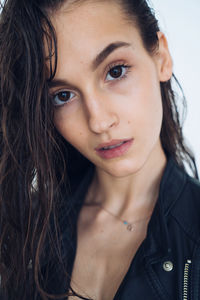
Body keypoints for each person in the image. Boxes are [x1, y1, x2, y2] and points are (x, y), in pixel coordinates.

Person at [0, 0, 200, 299]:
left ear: (161, 56)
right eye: (63, 95)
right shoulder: (25, 228)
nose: (98, 121)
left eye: (116, 71)